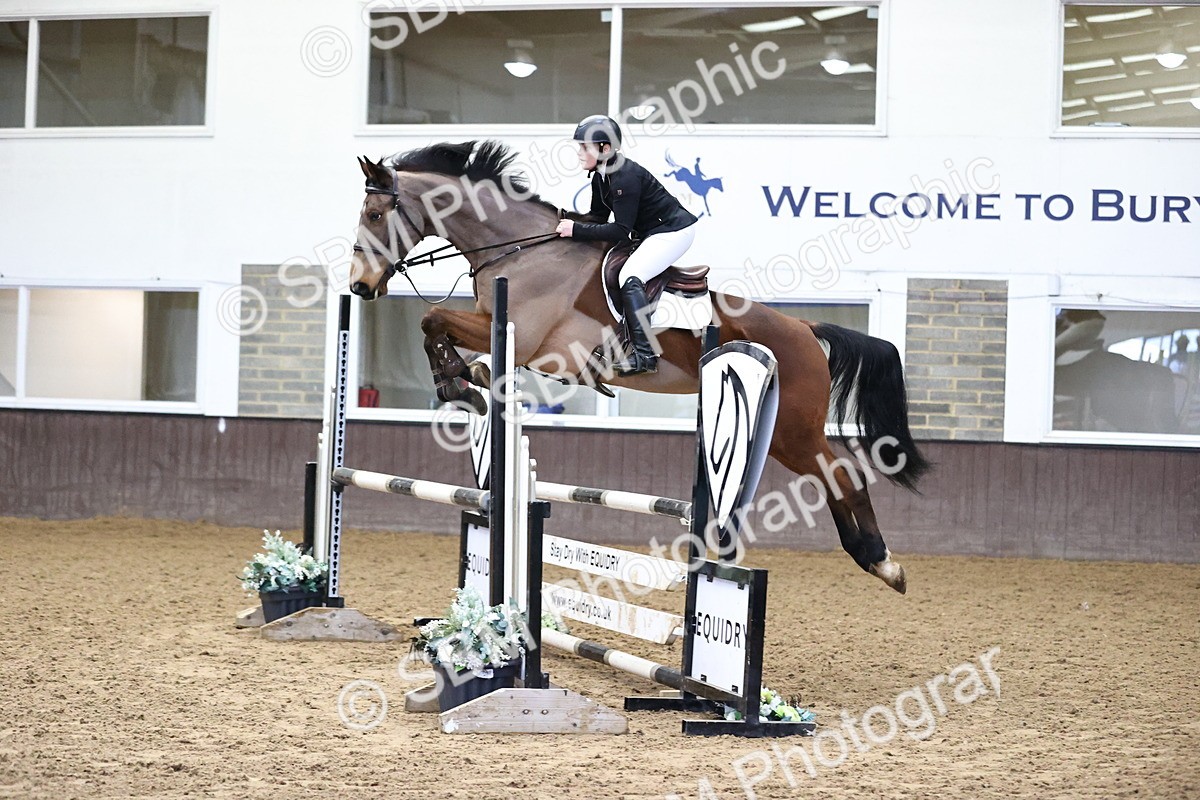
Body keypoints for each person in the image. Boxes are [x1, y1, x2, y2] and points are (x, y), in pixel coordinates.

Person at [555, 115, 699, 375]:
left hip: (673, 232)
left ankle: (645, 355)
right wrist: (564, 223)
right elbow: (597, 218)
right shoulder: (601, 175)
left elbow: (621, 230)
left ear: (605, 149)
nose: (579, 153)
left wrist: (575, 229)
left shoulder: (624, 176)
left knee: (630, 276)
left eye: (584, 147)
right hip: (650, 231)